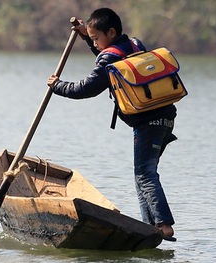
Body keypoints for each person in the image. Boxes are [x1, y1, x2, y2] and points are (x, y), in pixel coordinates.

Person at [47, 7, 177, 241]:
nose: (95, 44)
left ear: (112, 32)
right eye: (93, 39)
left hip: (149, 122)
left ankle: (164, 225)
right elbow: (110, 65)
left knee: (145, 174)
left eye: (97, 39)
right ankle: (151, 226)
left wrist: (58, 85)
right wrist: (87, 37)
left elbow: (87, 87)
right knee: (143, 174)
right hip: (166, 116)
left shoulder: (110, 57)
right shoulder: (134, 45)